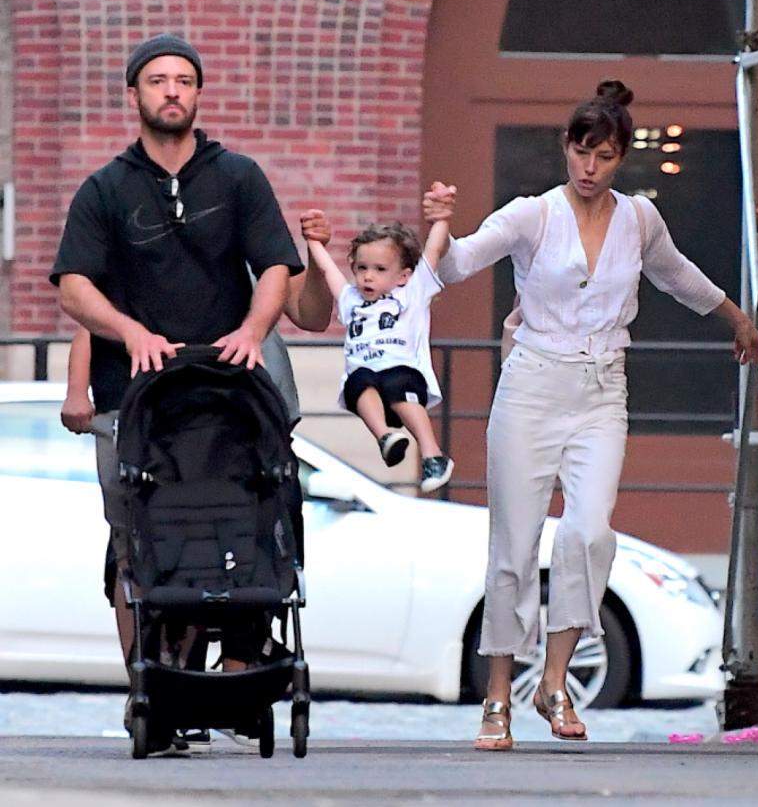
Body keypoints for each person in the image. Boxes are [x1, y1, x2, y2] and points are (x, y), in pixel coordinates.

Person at [423, 80, 758, 749]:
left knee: (588, 533)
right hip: (531, 385)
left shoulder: (639, 219)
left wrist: (736, 317)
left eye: (604, 157)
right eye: (582, 152)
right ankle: (497, 696)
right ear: (566, 148)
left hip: (603, 388)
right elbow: (460, 262)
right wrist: (436, 224)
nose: (589, 167)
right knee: (514, 546)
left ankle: (554, 682)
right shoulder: (532, 214)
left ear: (621, 158)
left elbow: (676, 273)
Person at [50, 34, 333, 694]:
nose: (172, 91)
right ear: (134, 94)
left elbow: (276, 268)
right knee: (135, 540)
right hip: (132, 399)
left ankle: (240, 663)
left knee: (246, 521)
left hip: (227, 395)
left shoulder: (238, 176)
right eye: (158, 81)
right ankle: (148, 686)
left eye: (183, 80)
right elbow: (75, 287)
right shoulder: (105, 189)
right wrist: (131, 333)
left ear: (199, 92)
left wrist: (252, 331)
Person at [305, 212, 456, 493]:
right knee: (357, 380)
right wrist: (313, 241)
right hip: (368, 385)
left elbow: (434, 250)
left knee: (397, 380)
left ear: (403, 276)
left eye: (379, 269)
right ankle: (385, 436)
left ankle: (433, 455)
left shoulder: (411, 293)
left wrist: (441, 219)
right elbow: (327, 270)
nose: (368, 276)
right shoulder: (350, 299)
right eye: (361, 268)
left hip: (403, 375)